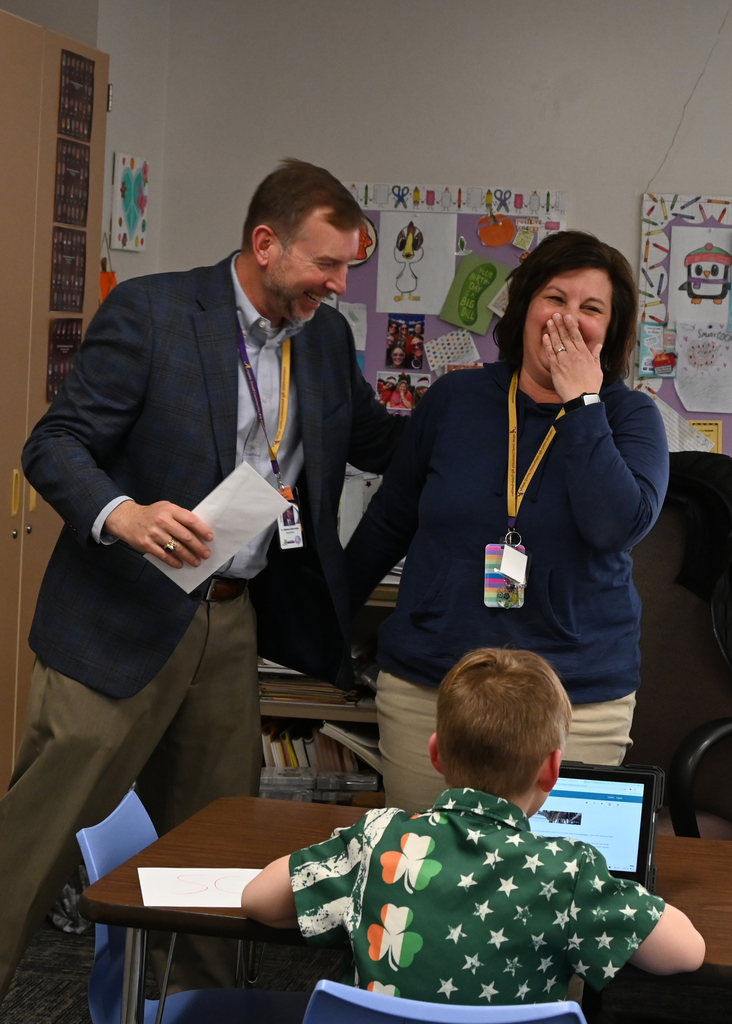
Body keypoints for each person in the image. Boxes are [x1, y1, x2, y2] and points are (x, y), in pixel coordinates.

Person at [0, 158, 403, 1002]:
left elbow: (378, 442)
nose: (337, 284)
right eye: (326, 264)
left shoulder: (323, 338)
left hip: (230, 621)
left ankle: (195, 1008)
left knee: (218, 842)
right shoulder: (153, 313)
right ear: (265, 243)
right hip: (118, 614)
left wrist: (499, 412)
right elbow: (54, 445)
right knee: (37, 837)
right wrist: (126, 514)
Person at [346, 231, 669, 810]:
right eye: (555, 298)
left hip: (577, 700)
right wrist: (320, 628)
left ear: (612, 331)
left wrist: (581, 408)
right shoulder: (455, 398)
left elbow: (614, 527)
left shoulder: (631, 416)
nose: (569, 319)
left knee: (554, 891)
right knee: (424, 877)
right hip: (433, 688)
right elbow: (389, 522)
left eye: (591, 308)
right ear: (523, 309)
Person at [240, 648, 704, 1005]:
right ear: (552, 771)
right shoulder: (569, 872)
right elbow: (685, 953)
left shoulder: (379, 837)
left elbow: (258, 899)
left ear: (436, 753)